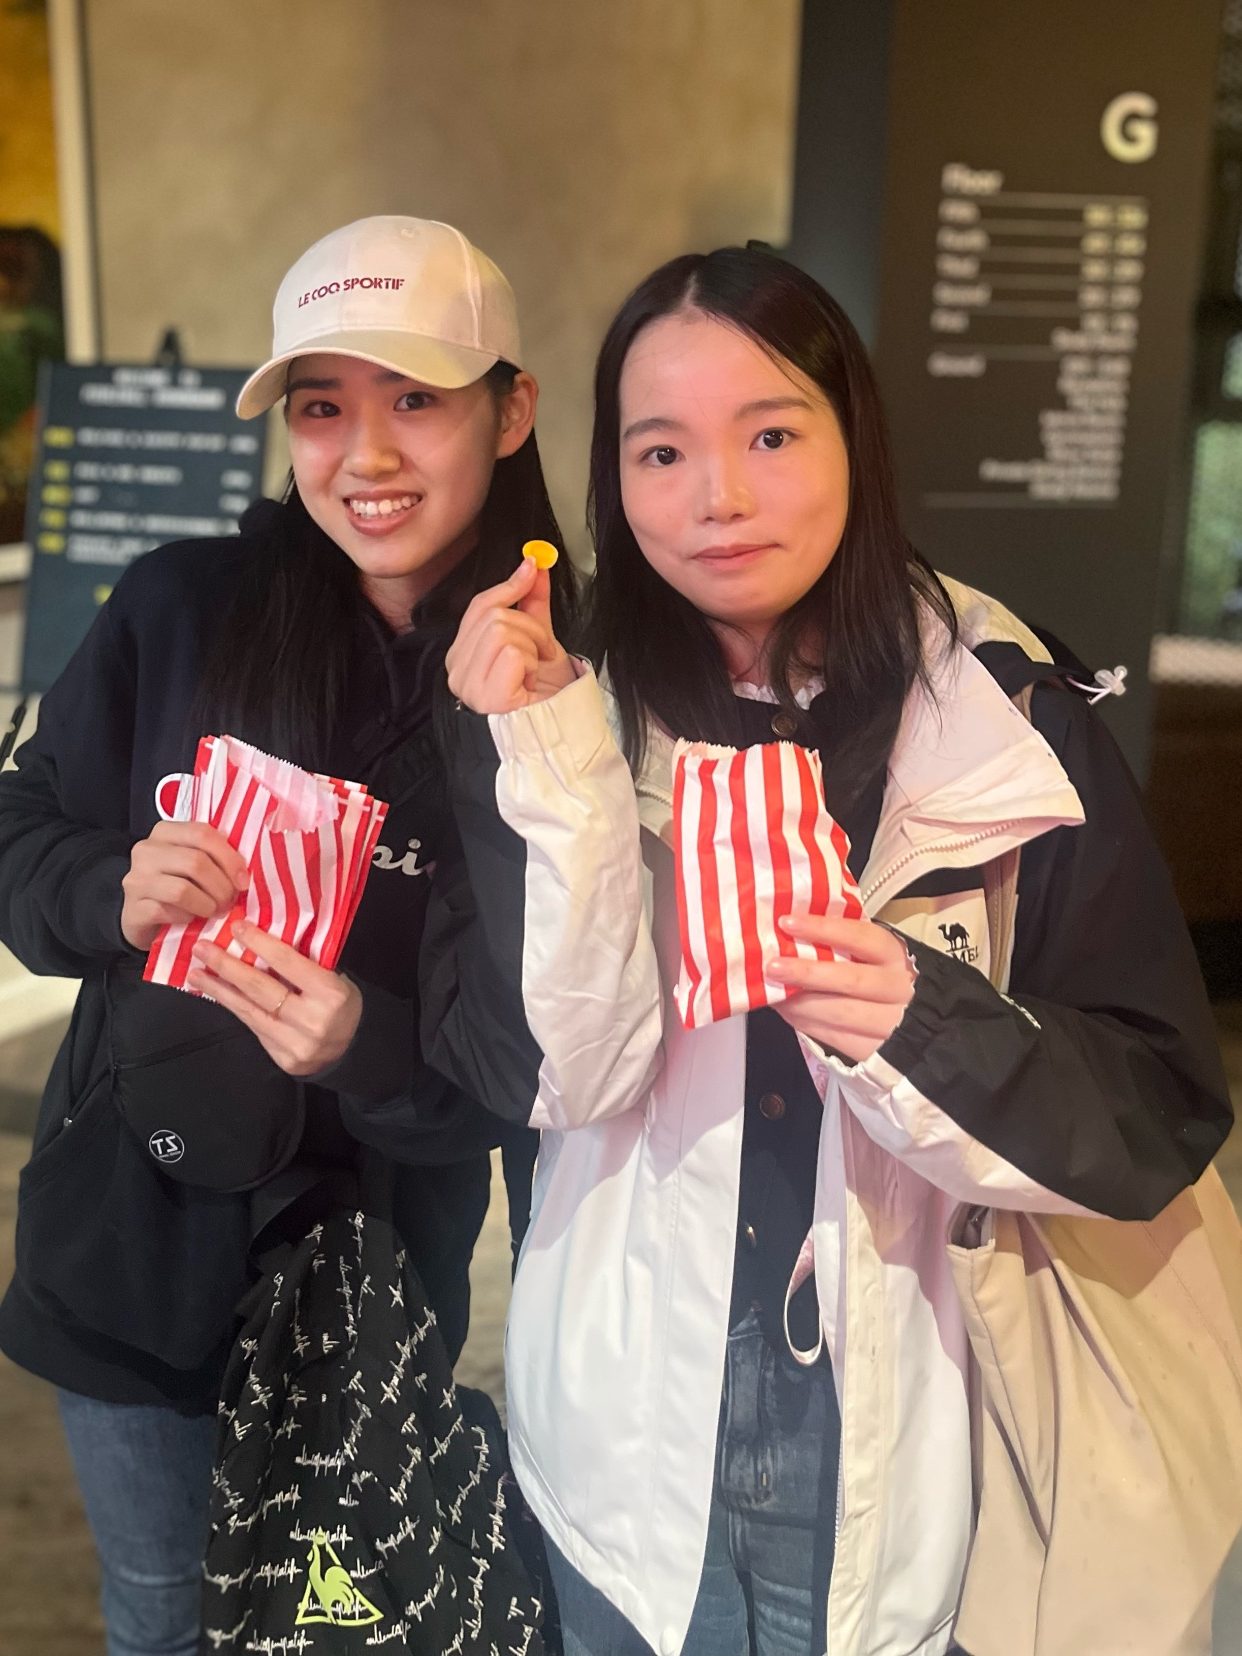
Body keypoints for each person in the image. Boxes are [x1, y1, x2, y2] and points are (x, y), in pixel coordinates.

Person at [427, 246, 1234, 1656]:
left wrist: (919, 1019)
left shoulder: (1002, 716)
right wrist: (549, 767)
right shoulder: (563, 697)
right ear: (611, 478)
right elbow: (554, 1078)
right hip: (622, 1421)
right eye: (660, 451)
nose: (717, 497)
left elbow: (1152, 1111)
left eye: (771, 436)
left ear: (854, 436)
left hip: (911, 1425)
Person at [0, 215, 571, 1656]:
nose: (364, 455)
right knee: (158, 1615)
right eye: (321, 407)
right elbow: (17, 833)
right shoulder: (180, 608)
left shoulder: (556, 688)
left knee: (348, 1621)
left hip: (375, 1283)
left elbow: (549, 1060)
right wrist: (111, 887)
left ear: (510, 409)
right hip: (130, 1244)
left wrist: (364, 1044)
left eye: (415, 398)